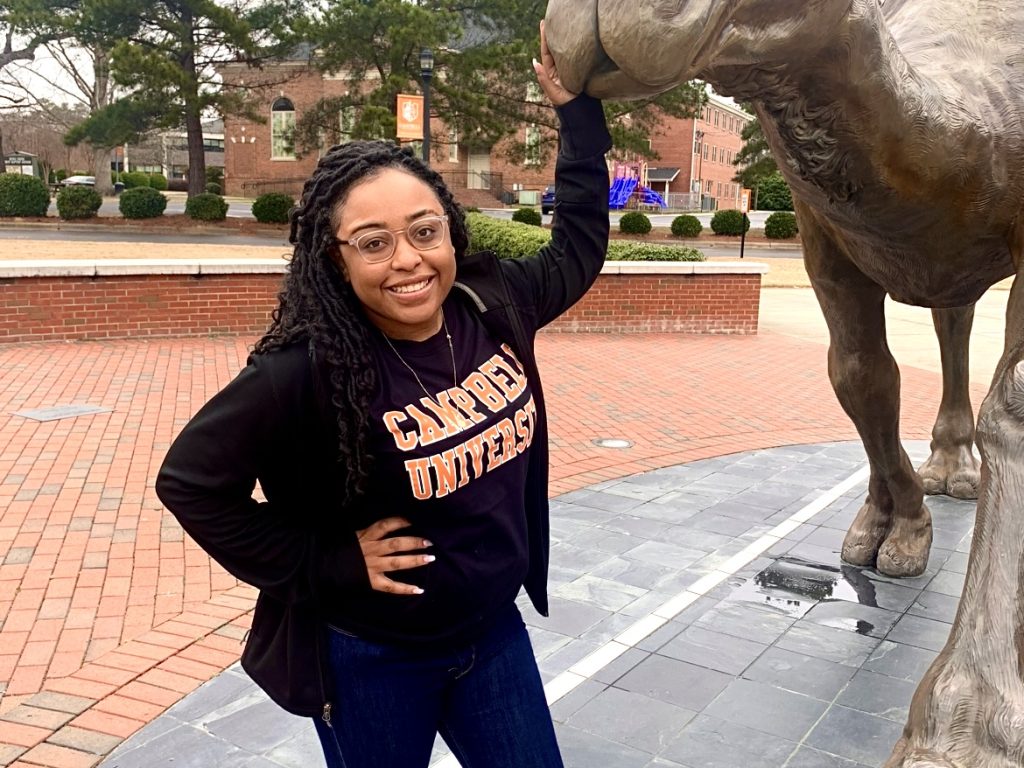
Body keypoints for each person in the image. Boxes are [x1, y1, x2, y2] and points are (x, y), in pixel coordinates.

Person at [155, 22, 610, 768]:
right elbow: (192, 485)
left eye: (424, 231)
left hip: (493, 636)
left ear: (450, 230)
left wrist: (578, 117)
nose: (409, 261)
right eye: (373, 242)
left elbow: (579, 245)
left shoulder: (490, 303)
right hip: (372, 657)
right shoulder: (301, 369)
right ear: (334, 260)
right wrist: (327, 560)